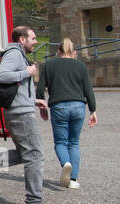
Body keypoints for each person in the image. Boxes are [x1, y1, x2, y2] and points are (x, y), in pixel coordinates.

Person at [0, 25, 57, 204]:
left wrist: (34, 101)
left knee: (26, 153)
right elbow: (2, 76)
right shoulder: (15, 54)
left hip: (19, 111)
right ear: (22, 40)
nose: (35, 41)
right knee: (34, 155)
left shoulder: (16, 54)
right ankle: (34, 201)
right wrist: (28, 72)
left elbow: (18, 89)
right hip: (21, 115)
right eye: (32, 38)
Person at [37, 38, 97, 189]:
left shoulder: (49, 65)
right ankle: (73, 179)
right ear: (74, 52)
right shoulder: (81, 66)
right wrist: (93, 110)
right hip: (78, 106)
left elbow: (40, 89)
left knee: (60, 142)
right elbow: (88, 90)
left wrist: (42, 107)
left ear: (58, 51)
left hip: (58, 106)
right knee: (74, 142)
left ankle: (66, 163)